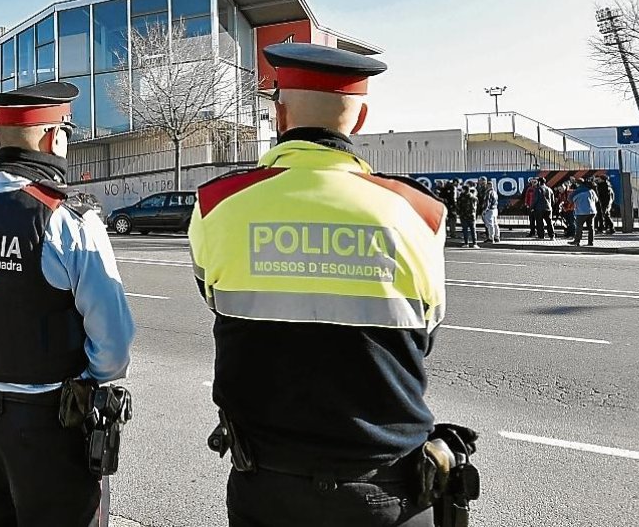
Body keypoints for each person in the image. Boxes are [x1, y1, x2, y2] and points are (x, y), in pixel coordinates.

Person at [189, 43, 455, 527]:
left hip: (266, 484)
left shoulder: (217, 203)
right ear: (361, 119)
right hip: (388, 488)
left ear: (280, 114)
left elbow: (213, 297)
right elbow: (427, 329)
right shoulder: (420, 212)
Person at [0, 82, 136, 527]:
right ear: (53, 137)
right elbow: (114, 342)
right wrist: (87, 382)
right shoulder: (67, 218)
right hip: (48, 425)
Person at [569, 179, 598, 247]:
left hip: (581, 211)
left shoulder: (577, 191)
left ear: (577, 184)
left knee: (579, 227)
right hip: (592, 211)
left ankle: (577, 241)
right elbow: (596, 200)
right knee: (591, 227)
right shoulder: (591, 190)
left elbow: (570, 199)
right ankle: (591, 242)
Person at [457, 182, 479, 248]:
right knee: (473, 230)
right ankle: (475, 243)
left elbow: (458, 206)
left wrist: (459, 213)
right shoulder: (473, 197)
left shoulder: (461, 197)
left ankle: (466, 243)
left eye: (462, 189)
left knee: (465, 230)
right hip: (472, 215)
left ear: (464, 190)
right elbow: (476, 205)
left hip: (464, 215)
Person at [478, 177, 500, 244]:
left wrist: (484, 210)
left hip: (489, 210)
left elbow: (487, 202)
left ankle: (491, 238)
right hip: (495, 209)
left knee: (490, 225)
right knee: (495, 224)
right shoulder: (495, 192)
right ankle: (497, 237)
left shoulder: (488, 193)